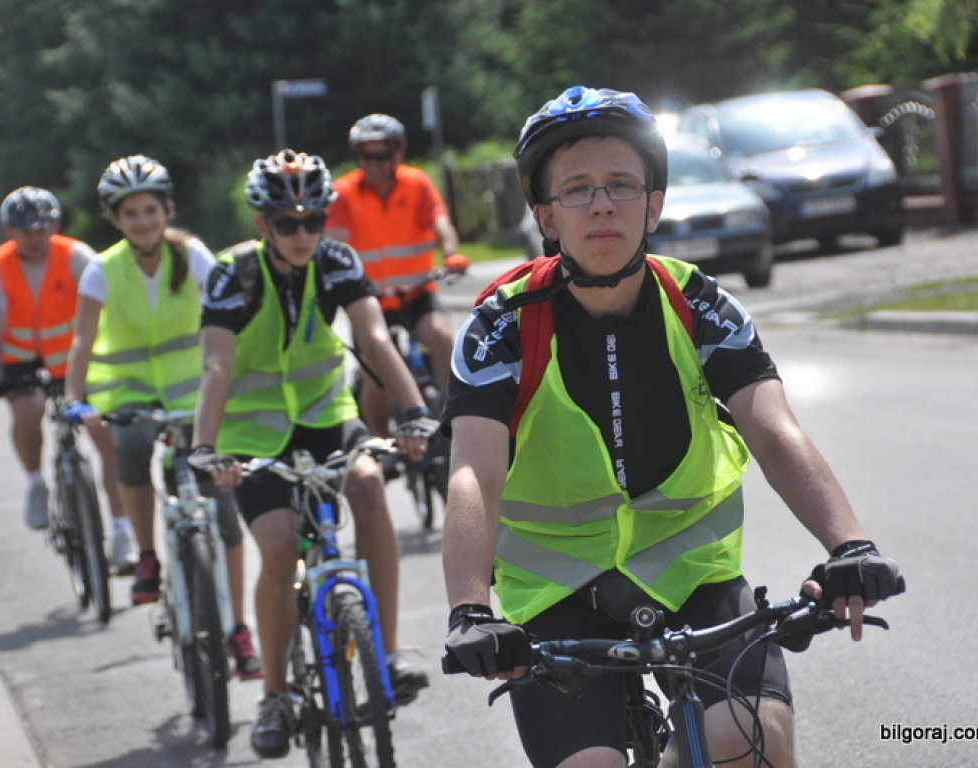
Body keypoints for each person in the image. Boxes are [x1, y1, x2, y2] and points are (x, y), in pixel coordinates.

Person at [440, 86, 906, 768]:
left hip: (695, 578)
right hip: (557, 598)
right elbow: (473, 473)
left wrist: (850, 546)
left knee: (756, 745)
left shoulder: (701, 306)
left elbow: (774, 430)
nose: (602, 204)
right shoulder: (501, 326)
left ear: (654, 204)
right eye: (576, 190)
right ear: (545, 216)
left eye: (622, 185)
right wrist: (471, 611)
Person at [188, 149, 434, 758]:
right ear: (262, 225)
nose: (303, 234)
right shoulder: (230, 275)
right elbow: (217, 365)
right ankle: (275, 695)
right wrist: (204, 448)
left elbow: (374, 337)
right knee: (276, 549)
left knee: (372, 486)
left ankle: (389, 651)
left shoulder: (338, 260)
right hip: (250, 434)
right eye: (287, 223)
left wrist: (412, 412)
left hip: (327, 417)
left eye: (313, 220)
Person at [62, 155, 261, 680]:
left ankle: (239, 629)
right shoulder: (102, 270)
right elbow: (83, 338)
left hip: (194, 392)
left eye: (150, 210)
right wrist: (73, 396)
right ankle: (147, 554)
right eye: (131, 213)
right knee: (129, 449)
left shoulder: (192, 255)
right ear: (115, 219)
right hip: (129, 394)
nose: (143, 221)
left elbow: (229, 319)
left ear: (166, 210)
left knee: (222, 509)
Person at [0, 187, 136, 572]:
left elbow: (106, 302)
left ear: (55, 226)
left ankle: (121, 531)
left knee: (104, 435)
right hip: (20, 360)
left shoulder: (77, 256)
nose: (36, 237)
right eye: (27, 229)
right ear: (10, 231)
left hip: (74, 357)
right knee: (28, 410)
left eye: (43, 228)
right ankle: (35, 482)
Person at [326, 113, 469, 438]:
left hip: (417, 292)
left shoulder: (416, 183)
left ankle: (457, 423)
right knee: (376, 374)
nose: (373, 163)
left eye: (382, 155)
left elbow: (441, 223)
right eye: (365, 155)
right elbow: (333, 241)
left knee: (443, 338)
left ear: (398, 152)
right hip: (371, 301)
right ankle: (381, 444)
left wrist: (451, 253)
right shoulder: (345, 192)